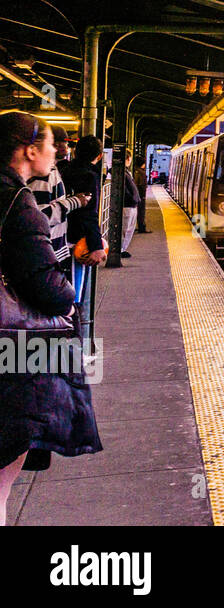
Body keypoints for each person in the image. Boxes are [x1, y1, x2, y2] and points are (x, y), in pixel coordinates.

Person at [0, 113, 103, 525]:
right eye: (49, 145)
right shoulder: (17, 201)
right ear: (29, 151)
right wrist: (69, 301)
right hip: (13, 347)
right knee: (4, 470)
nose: (56, 153)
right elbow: (43, 281)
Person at [28, 126, 91, 272]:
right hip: (46, 253)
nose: (66, 147)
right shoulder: (43, 174)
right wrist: (75, 202)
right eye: (54, 144)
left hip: (51, 250)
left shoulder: (51, 170)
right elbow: (40, 216)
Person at [62, 136, 107, 340]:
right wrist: (96, 246)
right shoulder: (89, 176)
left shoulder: (64, 170)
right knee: (75, 295)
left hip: (61, 237)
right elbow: (89, 213)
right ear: (99, 156)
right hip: (77, 242)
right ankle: (74, 342)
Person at [121, 152, 140, 258]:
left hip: (132, 205)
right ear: (127, 159)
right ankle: (120, 249)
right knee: (124, 228)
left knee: (129, 229)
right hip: (127, 205)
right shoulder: (121, 172)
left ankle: (123, 249)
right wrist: (132, 198)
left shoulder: (126, 172)